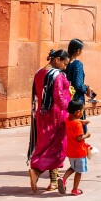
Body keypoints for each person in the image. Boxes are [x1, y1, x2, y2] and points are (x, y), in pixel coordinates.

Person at [28, 49, 72, 193]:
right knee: (58, 146)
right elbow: (59, 97)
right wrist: (71, 109)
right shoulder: (57, 75)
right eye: (64, 64)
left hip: (42, 114)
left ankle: (53, 181)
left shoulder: (39, 72)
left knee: (47, 144)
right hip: (56, 115)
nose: (65, 67)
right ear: (57, 60)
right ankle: (37, 171)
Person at [58, 98, 90, 196]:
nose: (82, 112)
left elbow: (73, 119)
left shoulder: (68, 120)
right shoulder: (77, 124)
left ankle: (63, 179)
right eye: (82, 110)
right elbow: (79, 138)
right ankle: (75, 189)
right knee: (79, 171)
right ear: (77, 112)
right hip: (79, 152)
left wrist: (81, 121)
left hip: (71, 151)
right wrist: (87, 135)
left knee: (73, 167)